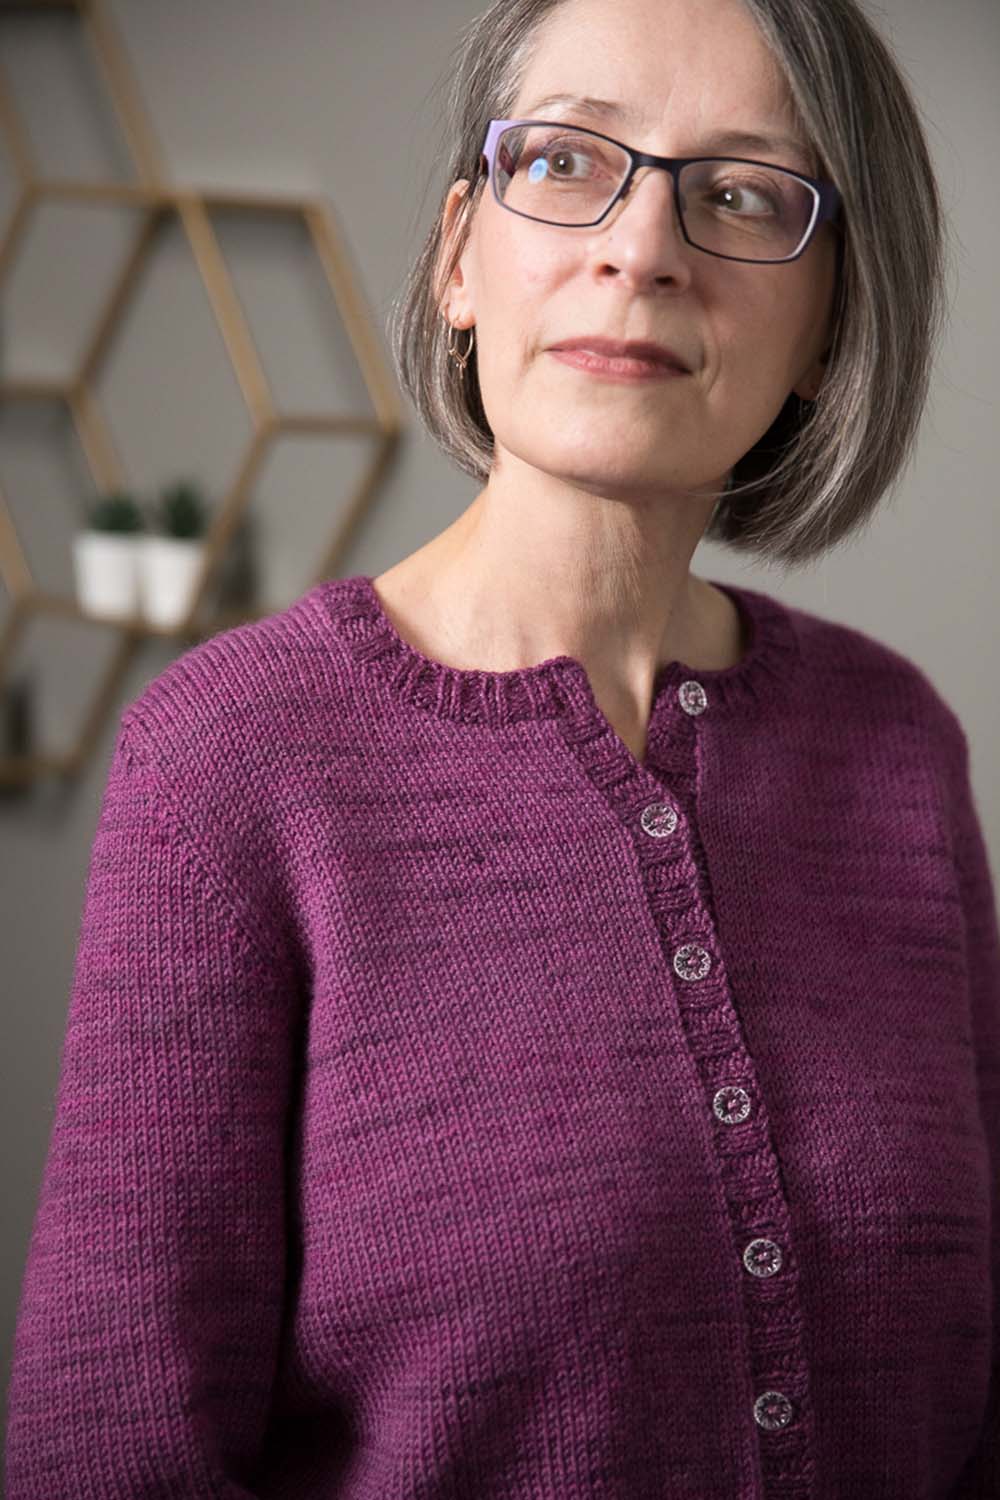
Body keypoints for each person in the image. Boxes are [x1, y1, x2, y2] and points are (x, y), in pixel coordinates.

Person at [5, 0, 997, 1495]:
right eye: (566, 161)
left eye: (739, 195)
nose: (642, 248)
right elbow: (113, 1450)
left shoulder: (898, 753)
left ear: (832, 321)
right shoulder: (232, 763)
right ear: (463, 256)